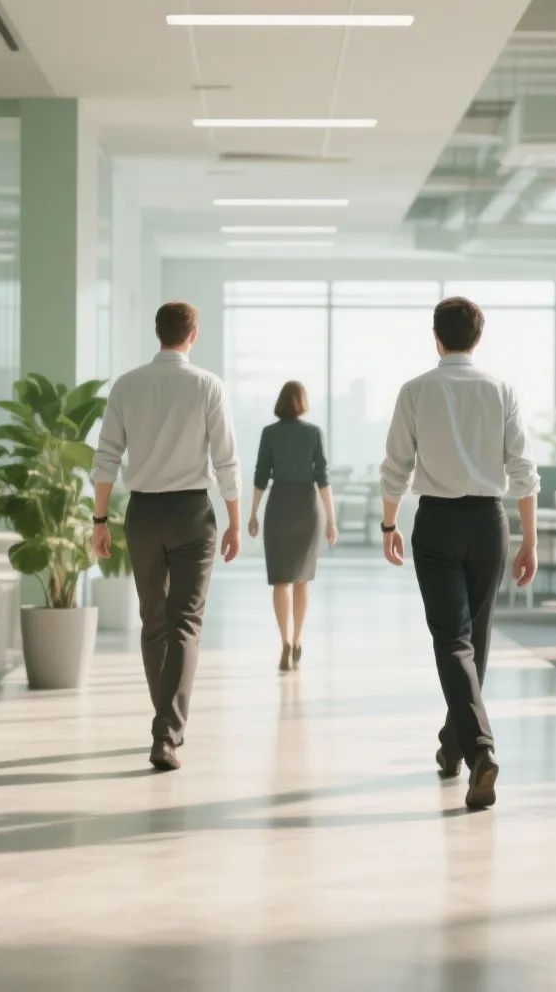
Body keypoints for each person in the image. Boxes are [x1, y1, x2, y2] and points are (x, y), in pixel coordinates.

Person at [377, 297, 539, 811]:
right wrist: (530, 540)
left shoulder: (415, 390)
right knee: (476, 638)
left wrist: (388, 523)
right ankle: (455, 745)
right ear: (478, 336)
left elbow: (395, 466)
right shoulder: (501, 390)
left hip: (438, 523)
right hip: (490, 523)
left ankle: (479, 750)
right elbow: (523, 470)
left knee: (452, 640)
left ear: (436, 336)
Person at [91, 301, 241, 772]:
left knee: (153, 619)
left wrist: (99, 521)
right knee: (186, 622)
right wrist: (236, 519)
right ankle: (167, 733)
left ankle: (163, 725)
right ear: (192, 335)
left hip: (143, 514)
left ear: (158, 333)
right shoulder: (208, 386)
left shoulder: (128, 385)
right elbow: (226, 459)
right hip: (193, 513)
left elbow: (107, 457)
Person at [246, 380, 338, 674]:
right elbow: (323, 478)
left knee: (281, 580)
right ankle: (297, 639)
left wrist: (252, 513)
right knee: (302, 579)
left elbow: (261, 475)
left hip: (279, 506)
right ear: (302, 401)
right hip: (307, 508)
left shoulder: (269, 434)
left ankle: (284, 641)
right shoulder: (313, 434)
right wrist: (331, 519)